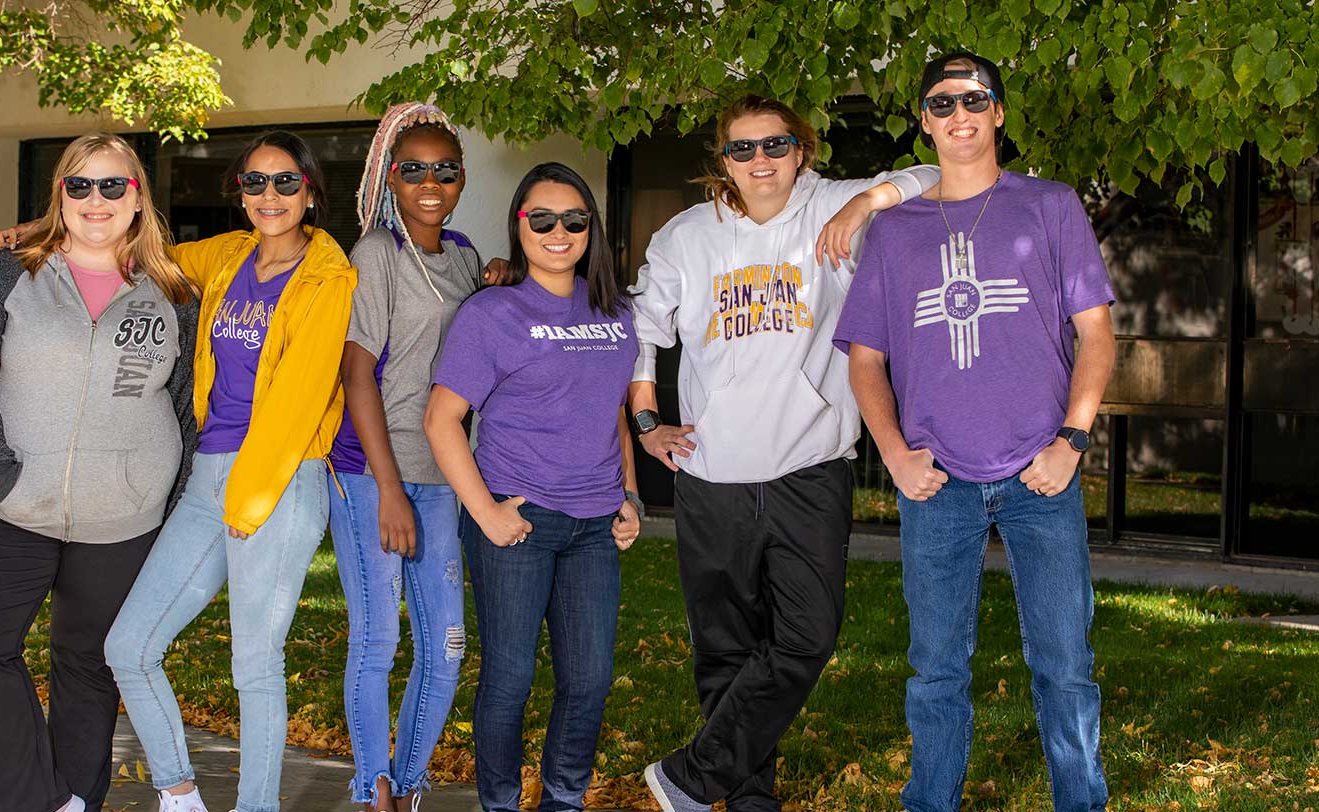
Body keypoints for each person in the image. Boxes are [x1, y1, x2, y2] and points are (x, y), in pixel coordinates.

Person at [632, 95, 941, 812]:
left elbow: (933, 174)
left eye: (774, 145)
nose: (760, 161)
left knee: (806, 634)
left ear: (800, 150)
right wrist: (647, 419)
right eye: (742, 149)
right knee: (726, 650)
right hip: (712, 473)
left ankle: (691, 775)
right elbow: (641, 327)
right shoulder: (687, 236)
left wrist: (867, 205)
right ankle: (744, 800)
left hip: (810, 467)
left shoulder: (830, 203)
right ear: (724, 161)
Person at [834, 52, 1116, 812]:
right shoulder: (894, 233)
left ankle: (1080, 802)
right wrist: (893, 455)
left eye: (975, 99)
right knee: (935, 670)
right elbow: (865, 362)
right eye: (942, 103)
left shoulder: (1051, 207)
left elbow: (1097, 335)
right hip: (939, 482)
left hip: (1039, 474)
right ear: (924, 121)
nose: (960, 114)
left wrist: (1073, 440)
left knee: (1065, 664)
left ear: (999, 113)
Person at [0, 133, 200, 812]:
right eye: (79, 186)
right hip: (12, 503)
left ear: (137, 196)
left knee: (87, 666)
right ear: (59, 194)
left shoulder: (174, 289)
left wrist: (165, 498)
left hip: (125, 516)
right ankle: (38, 801)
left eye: (112, 185)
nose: (96, 200)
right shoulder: (8, 272)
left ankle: (79, 801)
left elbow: (186, 404)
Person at [103, 131, 356, 812]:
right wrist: (46, 231)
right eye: (253, 182)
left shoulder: (329, 278)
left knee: (255, 664)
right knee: (128, 645)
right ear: (237, 192)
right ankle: (179, 793)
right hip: (211, 474)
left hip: (279, 479)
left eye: (284, 182)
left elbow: (300, 402)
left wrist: (248, 506)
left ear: (310, 191)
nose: (268, 196)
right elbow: (138, 256)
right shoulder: (229, 254)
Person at [425, 162, 642, 812]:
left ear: (590, 229)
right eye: (540, 219)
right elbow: (442, 420)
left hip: (595, 527)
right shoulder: (494, 311)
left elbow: (615, 415)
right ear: (519, 227)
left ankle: (562, 800)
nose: (557, 231)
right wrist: (485, 512)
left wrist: (630, 496)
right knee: (511, 677)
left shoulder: (616, 311)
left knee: (590, 680)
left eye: (573, 219)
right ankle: (497, 803)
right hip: (518, 521)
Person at [328, 102, 480, 812]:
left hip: (445, 476)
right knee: (378, 636)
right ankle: (373, 785)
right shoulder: (376, 254)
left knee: (446, 646)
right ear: (391, 176)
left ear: (460, 178)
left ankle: (411, 781)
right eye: (413, 168)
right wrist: (388, 489)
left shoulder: (469, 259)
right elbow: (358, 374)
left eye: (444, 169)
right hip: (371, 472)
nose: (429, 182)